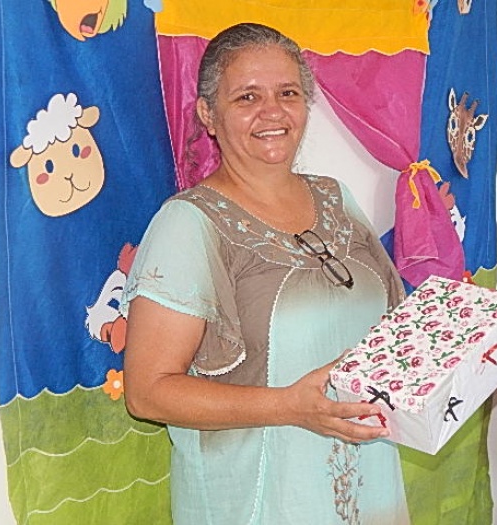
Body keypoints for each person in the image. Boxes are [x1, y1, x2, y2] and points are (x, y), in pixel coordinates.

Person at [120, 22, 410, 524]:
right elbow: (147, 392)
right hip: (256, 503)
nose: (272, 111)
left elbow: (393, 329)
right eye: (247, 97)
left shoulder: (337, 198)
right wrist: (289, 406)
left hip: (371, 493)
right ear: (208, 114)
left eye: (288, 93)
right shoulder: (189, 224)